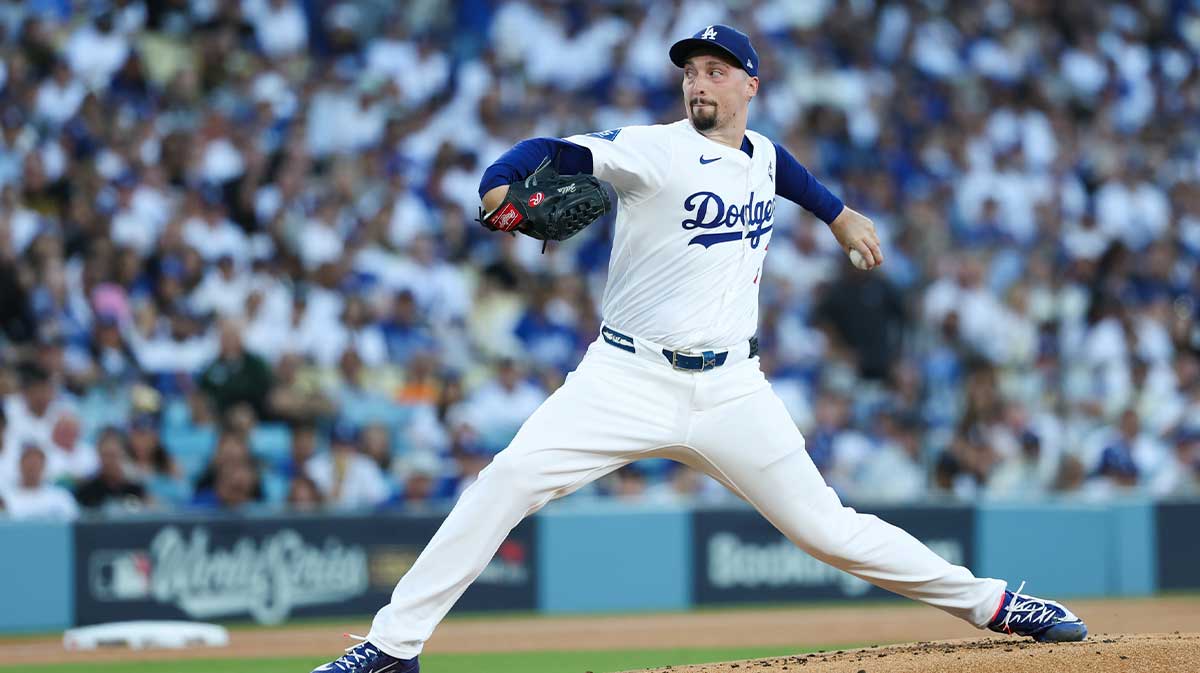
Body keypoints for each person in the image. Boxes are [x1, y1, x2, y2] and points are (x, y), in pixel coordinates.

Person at [312, 25, 1086, 673]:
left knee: (830, 529)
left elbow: (789, 174)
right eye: (691, 71)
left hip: (731, 389)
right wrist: (496, 186)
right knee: (505, 481)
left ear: (752, 85)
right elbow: (553, 149)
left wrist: (841, 213)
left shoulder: (763, 154)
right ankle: (393, 645)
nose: (698, 83)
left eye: (715, 71)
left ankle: (993, 602)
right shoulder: (652, 149)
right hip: (624, 376)